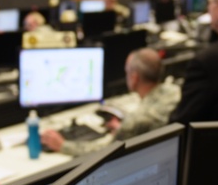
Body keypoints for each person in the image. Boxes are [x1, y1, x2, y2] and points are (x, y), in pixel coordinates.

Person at [41, 48, 180, 156]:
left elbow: (103, 152)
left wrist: (62, 145)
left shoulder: (135, 122)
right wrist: (124, 129)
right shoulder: (174, 91)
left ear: (135, 77)